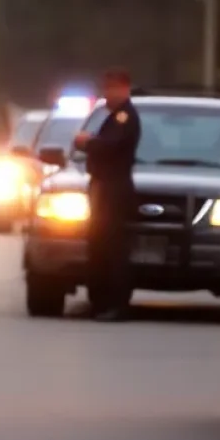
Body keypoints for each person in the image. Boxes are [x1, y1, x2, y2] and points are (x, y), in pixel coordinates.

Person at [72, 69, 141, 322]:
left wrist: (87, 142)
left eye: (111, 89)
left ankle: (115, 304)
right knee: (99, 247)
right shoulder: (112, 117)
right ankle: (99, 302)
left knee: (113, 249)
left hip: (114, 190)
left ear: (124, 88)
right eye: (105, 88)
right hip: (103, 188)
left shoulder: (124, 117)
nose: (106, 94)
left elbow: (111, 146)